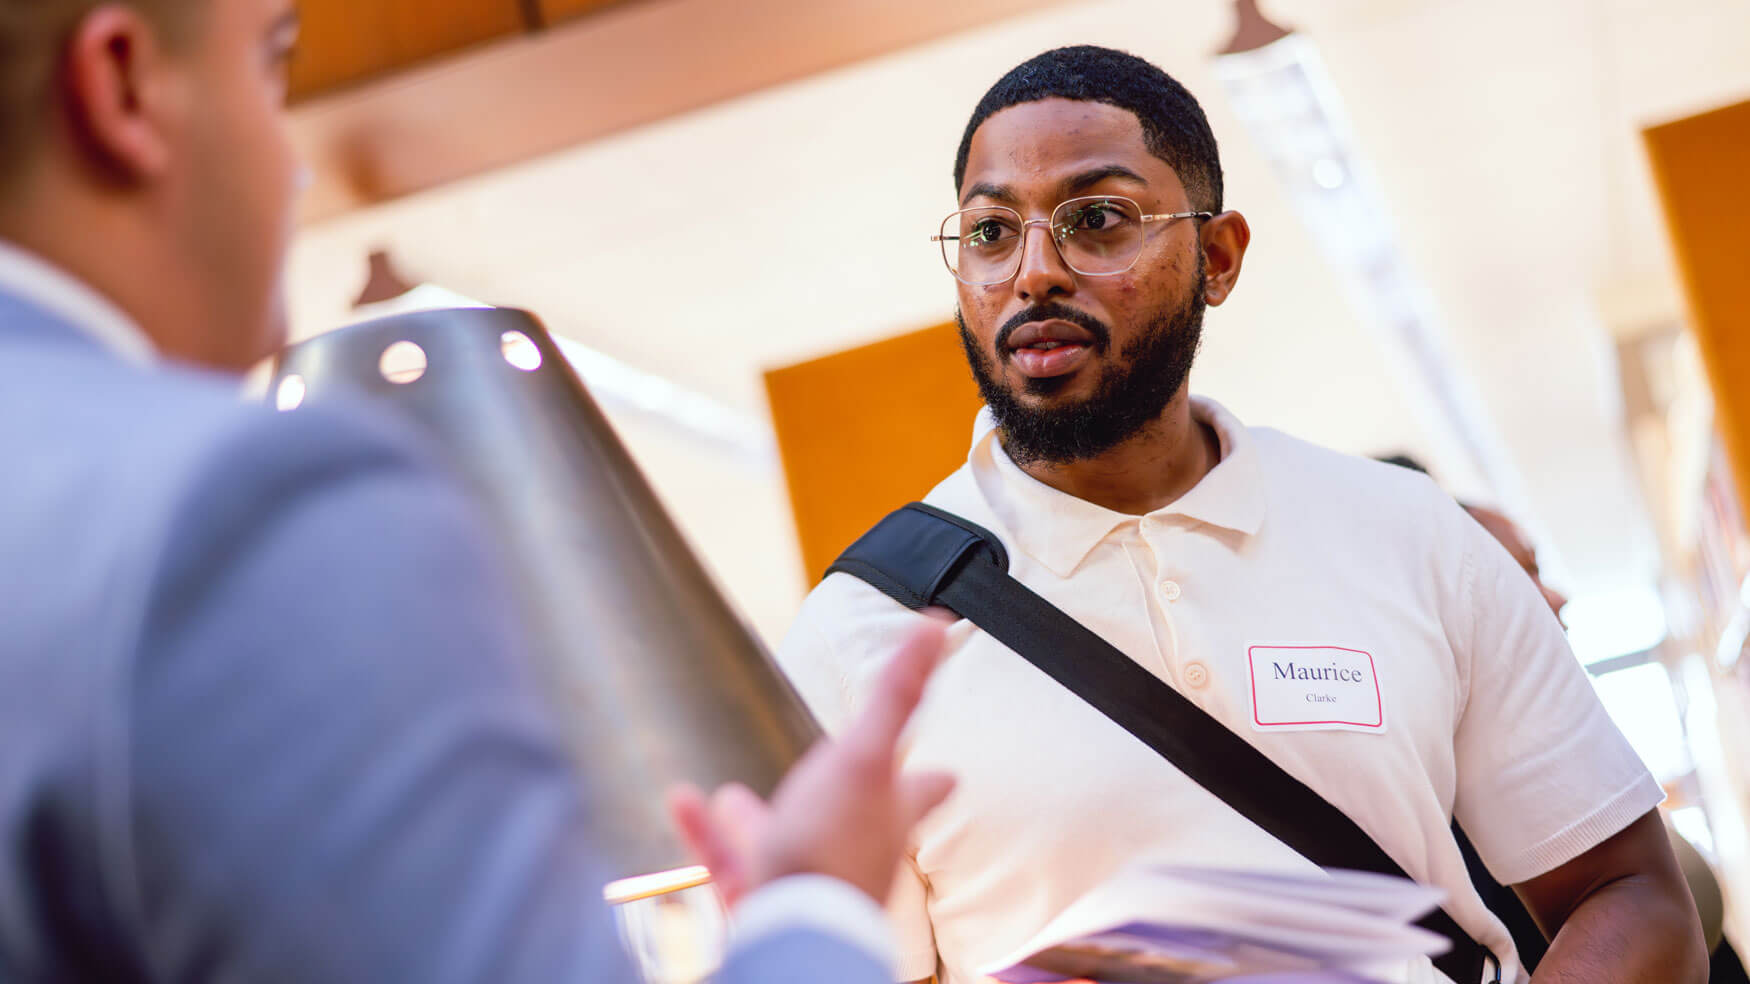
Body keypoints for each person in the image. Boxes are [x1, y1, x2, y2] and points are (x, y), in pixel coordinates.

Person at [0, 0, 952, 980]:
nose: (294, 167)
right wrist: (816, 910)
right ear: (122, 84)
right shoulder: (244, 503)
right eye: (269, 64)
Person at [776, 45, 1706, 984]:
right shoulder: (861, 636)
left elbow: (1628, 893)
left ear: (1216, 258)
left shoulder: (1411, 533)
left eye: (1097, 220)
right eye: (990, 232)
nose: (1035, 272)